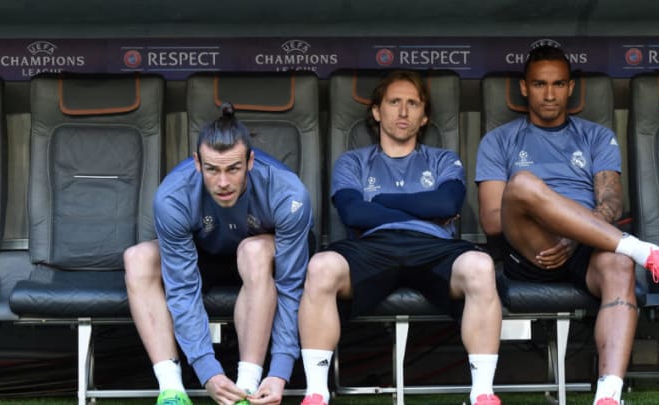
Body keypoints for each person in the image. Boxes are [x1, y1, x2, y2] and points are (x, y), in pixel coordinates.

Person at [475, 45, 659, 405]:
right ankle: (645, 251)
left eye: (559, 83)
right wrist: (560, 225)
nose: (549, 94)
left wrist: (575, 236)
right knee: (523, 184)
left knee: (620, 266)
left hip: (584, 248)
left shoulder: (596, 136)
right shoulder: (499, 141)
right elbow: (492, 220)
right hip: (527, 249)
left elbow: (610, 203)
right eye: (540, 84)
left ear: (571, 88)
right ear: (525, 88)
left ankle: (608, 395)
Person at [298, 70, 503, 405]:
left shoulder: (442, 159)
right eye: (394, 102)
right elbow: (353, 214)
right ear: (377, 111)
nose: (403, 112)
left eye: (413, 103)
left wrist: (379, 201)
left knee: (481, 265)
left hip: (434, 246)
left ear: (425, 116)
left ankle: (482, 393)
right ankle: (317, 393)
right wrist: (425, 208)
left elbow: (448, 202)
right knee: (321, 266)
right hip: (372, 247)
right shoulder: (353, 162)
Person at [124, 103, 313, 405]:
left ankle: (247, 387)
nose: (223, 182)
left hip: (261, 260)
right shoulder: (173, 196)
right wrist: (207, 370)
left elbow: (291, 287)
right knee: (138, 259)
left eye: (233, 168)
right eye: (212, 169)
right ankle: (172, 390)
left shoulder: (287, 193)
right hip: (204, 253)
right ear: (197, 164)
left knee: (252, 251)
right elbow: (183, 288)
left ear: (250, 162)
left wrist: (280, 371)